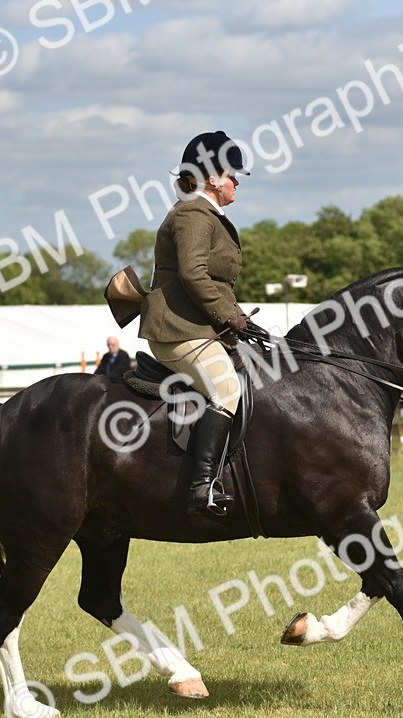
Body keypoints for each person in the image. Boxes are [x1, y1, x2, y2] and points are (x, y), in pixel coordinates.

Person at [137, 131, 251, 516]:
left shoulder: (207, 215)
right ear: (211, 176)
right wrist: (228, 316)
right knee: (226, 388)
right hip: (177, 330)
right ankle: (201, 486)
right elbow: (193, 274)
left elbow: (213, 283)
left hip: (200, 327)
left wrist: (237, 319)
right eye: (233, 174)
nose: (237, 181)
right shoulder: (191, 214)